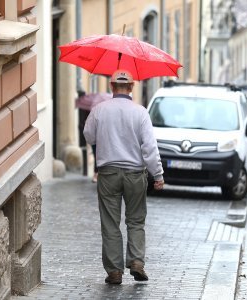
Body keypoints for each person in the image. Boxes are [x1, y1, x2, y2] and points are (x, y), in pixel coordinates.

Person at [83, 69, 164, 285]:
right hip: (135, 174)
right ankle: (136, 262)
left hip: (108, 173)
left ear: (111, 87)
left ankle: (114, 271)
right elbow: (150, 148)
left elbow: (88, 135)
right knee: (136, 220)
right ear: (131, 87)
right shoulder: (140, 113)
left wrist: (105, 136)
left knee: (110, 223)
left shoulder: (99, 110)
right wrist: (158, 175)